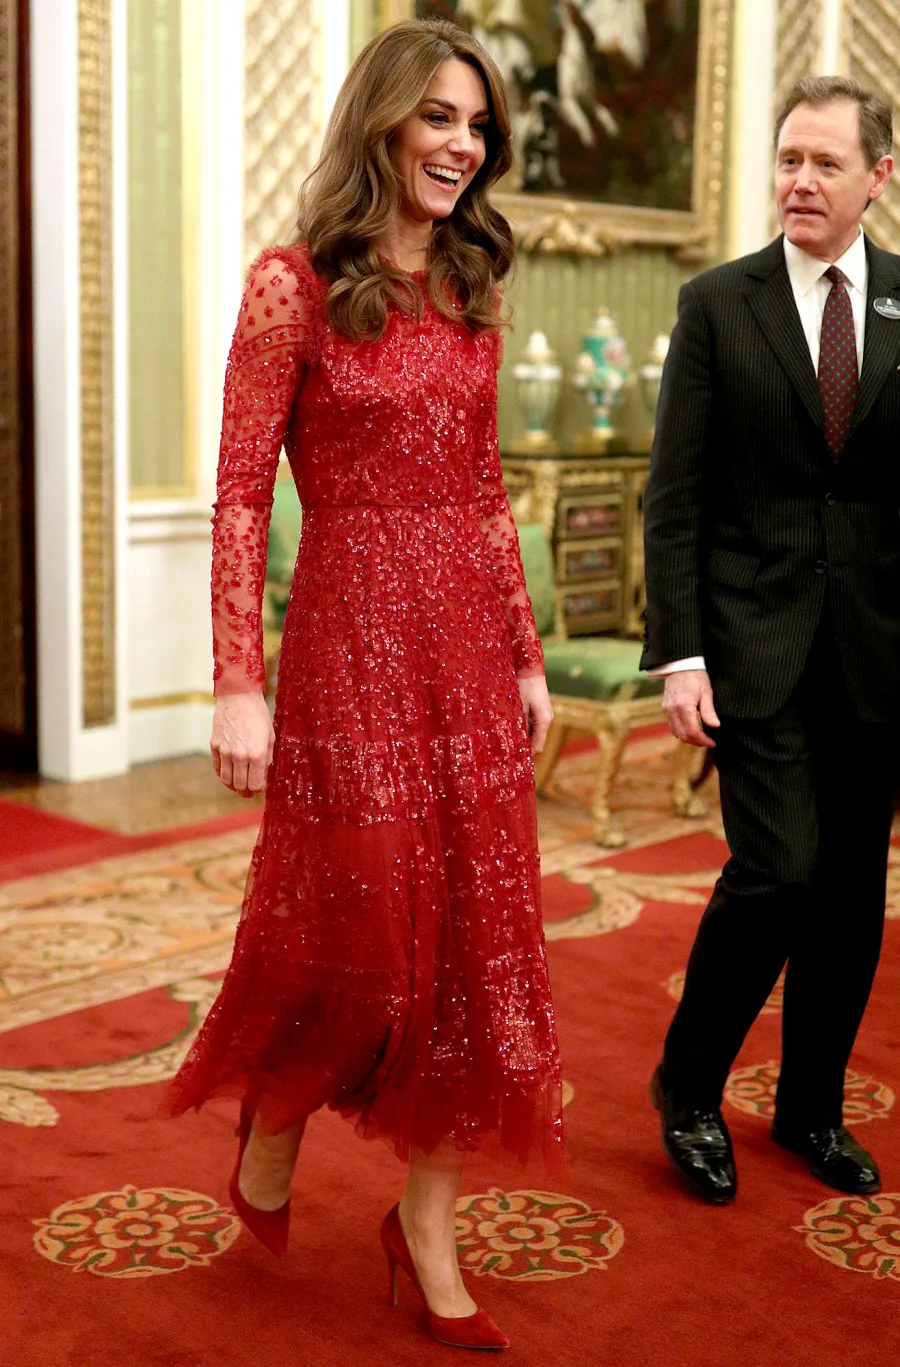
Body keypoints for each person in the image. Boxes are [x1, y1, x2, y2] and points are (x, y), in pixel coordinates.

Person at [163, 18, 563, 1352]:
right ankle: (273, 1113)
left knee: (476, 943)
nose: (463, 145)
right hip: (345, 642)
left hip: (463, 645)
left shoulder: (472, 281)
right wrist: (236, 680)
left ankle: (428, 1217)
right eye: (439, 117)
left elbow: (487, 487)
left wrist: (522, 649)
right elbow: (233, 494)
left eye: (478, 125)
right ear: (384, 120)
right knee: (353, 928)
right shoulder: (292, 283)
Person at [642, 75, 899, 1205]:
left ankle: (810, 1105)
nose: (799, 180)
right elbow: (675, 496)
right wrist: (680, 653)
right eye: (788, 158)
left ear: (878, 179)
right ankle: (689, 1088)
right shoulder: (718, 303)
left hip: (880, 656)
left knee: (849, 895)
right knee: (777, 870)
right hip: (753, 643)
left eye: (826, 163)